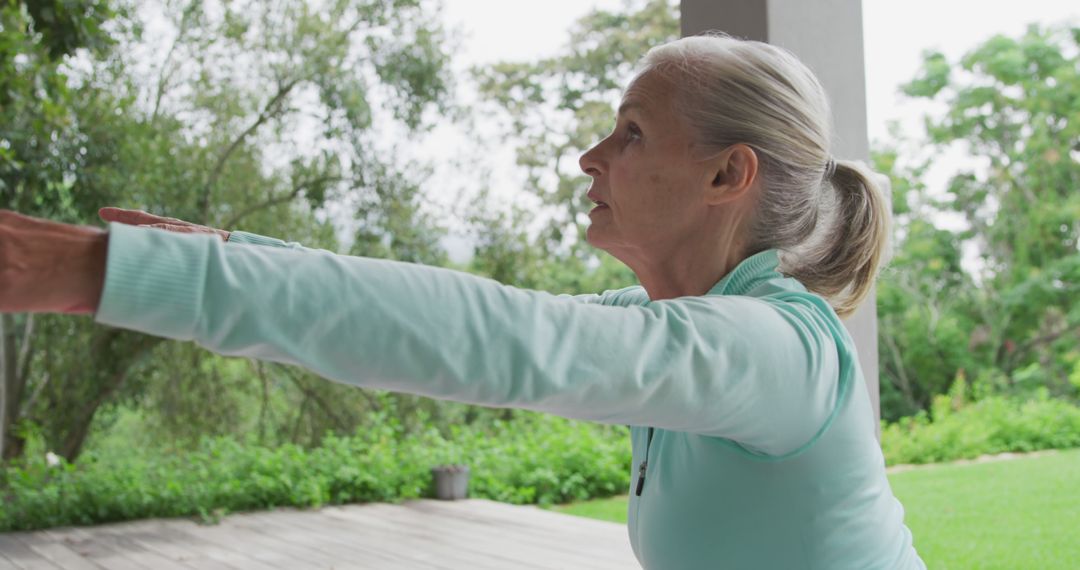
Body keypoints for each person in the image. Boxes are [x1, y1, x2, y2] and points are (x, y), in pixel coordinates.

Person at [0, 34, 925, 569]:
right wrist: (233, 254)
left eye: (631, 132)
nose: (589, 158)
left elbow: (503, 341)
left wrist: (100, 272)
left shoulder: (780, 351)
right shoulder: (682, 336)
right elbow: (462, 318)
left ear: (729, 173)